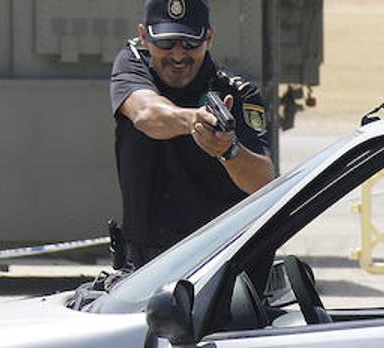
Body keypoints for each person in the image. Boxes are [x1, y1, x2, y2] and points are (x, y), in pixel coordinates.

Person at [110, 0, 275, 268]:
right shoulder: (133, 65)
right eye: (166, 43)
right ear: (143, 36)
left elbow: (263, 181)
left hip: (216, 261)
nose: (177, 55)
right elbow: (146, 114)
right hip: (142, 266)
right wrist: (194, 120)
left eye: (190, 44)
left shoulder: (237, 93)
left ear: (208, 37)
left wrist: (228, 150)